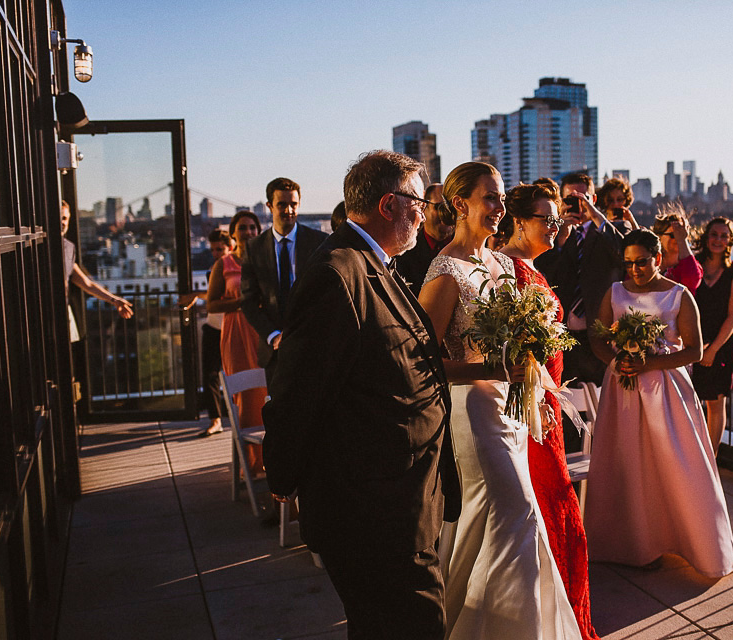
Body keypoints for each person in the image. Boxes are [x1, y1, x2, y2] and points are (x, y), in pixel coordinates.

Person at [262, 150, 459, 640]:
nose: (424, 215)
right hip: (373, 508)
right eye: (418, 203)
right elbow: (300, 388)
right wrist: (283, 471)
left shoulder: (379, 263)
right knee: (415, 624)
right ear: (389, 204)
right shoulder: (337, 272)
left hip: (402, 499)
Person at [419, 162, 580, 639]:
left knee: (495, 522)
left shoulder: (501, 265)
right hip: (472, 413)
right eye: (489, 197)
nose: (498, 207)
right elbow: (423, 364)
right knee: (518, 516)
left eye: (501, 197)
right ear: (460, 203)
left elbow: (518, 345)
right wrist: (489, 369)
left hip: (510, 409)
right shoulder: (444, 272)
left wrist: (531, 375)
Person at [584, 229, 733, 578]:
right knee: (627, 460)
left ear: (658, 259)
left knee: (673, 462)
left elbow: (694, 351)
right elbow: (598, 337)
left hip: (665, 391)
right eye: (628, 263)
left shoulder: (679, 295)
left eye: (641, 262)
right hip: (623, 387)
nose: (634, 270)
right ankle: (627, 543)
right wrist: (615, 361)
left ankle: (685, 539)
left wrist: (648, 363)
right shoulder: (616, 292)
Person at [497, 182, 599, 640]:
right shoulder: (507, 272)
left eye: (559, 219)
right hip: (527, 414)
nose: (556, 227)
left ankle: (560, 617)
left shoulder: (532, 269)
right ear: (519, 221)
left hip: (547, 410)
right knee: (549, 512)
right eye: (547, 219)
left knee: (557, 512)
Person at [534, 172, 624, 387]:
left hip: (601, 336)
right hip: (564, 337)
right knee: (569, 407)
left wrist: (596, 217)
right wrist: (561, 236)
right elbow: (546, 273)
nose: (578, 205)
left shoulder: (609, 230)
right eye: (570, 199)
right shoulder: (555, 237)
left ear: (593, 200)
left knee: (603, 407)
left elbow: (622, 253)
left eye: (582, 198)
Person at [240, 177, 327, 381]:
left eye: (293, 204)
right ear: (269, 206)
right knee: (279, 410)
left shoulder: (318, 242)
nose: (289, 210)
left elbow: (326, 294)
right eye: (282, 205)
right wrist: (272, 335)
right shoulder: (254, 248)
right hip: (274, 352)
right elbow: (248, 301)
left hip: (312, 347)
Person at [207, 212, 268, 466]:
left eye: (253, 227)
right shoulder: (224, 264)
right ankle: (251, 466)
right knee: (244, 395)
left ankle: (273, 463)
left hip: (263, 332)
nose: (249, 232)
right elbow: (211, 304)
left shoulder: (267, 260)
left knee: (267, 392)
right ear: (233, 233)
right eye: (243, 228)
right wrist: (243, 302)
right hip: (235, 334)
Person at [690, 217, 733, 455]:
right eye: (714, 234)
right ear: (706, 236)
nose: (718, 240)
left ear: (730, 241)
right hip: (691, 343)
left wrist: (711, 350)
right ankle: (690, 454)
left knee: (715, 402)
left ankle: (711, 459)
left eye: (724, 236)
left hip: (720, 345)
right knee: (688, 400)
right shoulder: (693, 265)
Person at [179, 228, 233, 436]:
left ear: (230, 248)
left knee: (235, 373)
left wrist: (195, 295)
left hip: (231, 327)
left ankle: (239, 415)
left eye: (220, 249)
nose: (215, 253)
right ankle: (215, 420)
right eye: (212, 250)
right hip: (213, 327)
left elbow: (220, 296)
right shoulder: (214, 269)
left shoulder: (237, 269)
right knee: (210, 375)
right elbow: (213, 295)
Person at [61, 201, 134, 339]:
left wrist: (115, 300)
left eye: (64, 218)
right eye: (59, 218)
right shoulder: (41, 246)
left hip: (64, 312)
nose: (62, 222)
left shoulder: (69, 248)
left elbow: (86, 283)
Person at [394, 182, 454, 295]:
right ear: (424, 207)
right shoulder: (404, 251)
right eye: (440, 207)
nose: (447, 213)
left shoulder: (468, 247)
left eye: (451, 207)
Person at [650, 202, 702, 293]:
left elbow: (692, 280)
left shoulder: (692, 264)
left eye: (682, 233)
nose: (679, 237)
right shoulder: (650, 262)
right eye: (673, 235)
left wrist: (682, 240)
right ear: (659, 236)